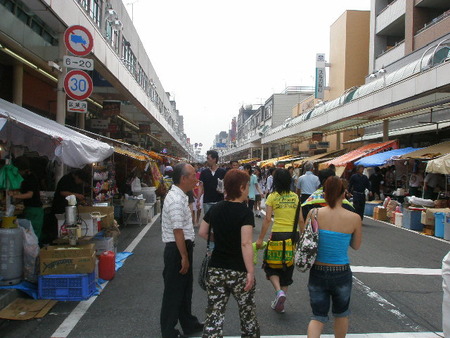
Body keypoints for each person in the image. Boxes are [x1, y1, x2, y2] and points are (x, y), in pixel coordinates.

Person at [198, 169, 259, 337]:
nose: (248, 190)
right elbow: (245, 243)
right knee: (247, 314)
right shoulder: (245, 212)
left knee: (214, 314)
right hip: (239, 270)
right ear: (241, 188)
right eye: (247, 187)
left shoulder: (216, 208)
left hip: (216, 268)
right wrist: (251, 272)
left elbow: (202, 232)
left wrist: (221, 239)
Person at [306, 176, 362, 338]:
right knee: (341, 313)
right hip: (341, 272)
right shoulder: (354, 218)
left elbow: (308, 240)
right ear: (344, 194)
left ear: (324, 194)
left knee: (317, 317)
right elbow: (356, 246)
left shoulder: (313, 213)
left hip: (317, 270)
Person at [160, 163, 203, 338]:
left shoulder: (181, 196)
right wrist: (184, 256)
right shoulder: (176, 200)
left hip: (181, 247)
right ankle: (168, 331)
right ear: (183, 178)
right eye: (193, 175)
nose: (196, 178)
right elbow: (178, 231)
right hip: (177, 249)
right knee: (174, 292)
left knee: (185, 290)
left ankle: (189, 324)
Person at [256, 168, 299, 314]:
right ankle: (282, 298)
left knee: (271, 265)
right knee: (287, 266)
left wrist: (261, 238)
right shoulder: (295, 197)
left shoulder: (272, 197)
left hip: (278, 234)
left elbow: (268, 219)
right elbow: (300, 219)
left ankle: (278, 292)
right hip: (292, 236)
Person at [9, 157, 44, 242]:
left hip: (35, 210)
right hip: (29, 209)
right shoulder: (25, 178)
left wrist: (15, 196)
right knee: (28, 234)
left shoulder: (31, 178)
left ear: (23, 170)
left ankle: (34, 253)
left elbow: (29, 194)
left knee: (32, 235)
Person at [199, 150, 226, 215]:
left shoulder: (222, 172)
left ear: (214, 159)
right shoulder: (204, 172)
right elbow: (201, 186)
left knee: (218, 221)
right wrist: (198, 199)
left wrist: (224, 193)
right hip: (207, 201)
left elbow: (226, 185)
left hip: (219, 201)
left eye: (208, 158)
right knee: (207, 222)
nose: (207, 160)